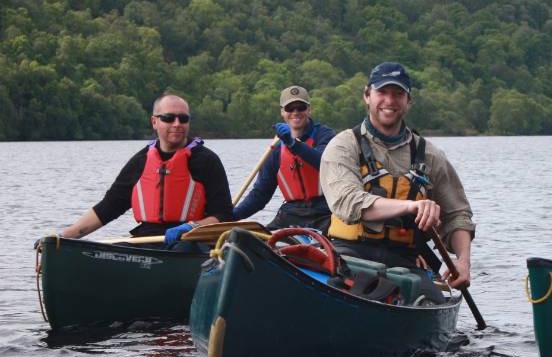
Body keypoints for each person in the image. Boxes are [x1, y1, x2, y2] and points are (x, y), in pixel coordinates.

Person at [319, 62, 475, 301]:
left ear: (408, 101)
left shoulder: (431, 156)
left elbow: (458, 215)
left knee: (432, 301)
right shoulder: (343, 146)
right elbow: (348, 203)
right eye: (382, 92)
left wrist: (463, 261)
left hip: (406, 260)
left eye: (398, 94)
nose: (389, 101)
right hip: (348, 254)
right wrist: (412, 206)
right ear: (367, 95)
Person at [59, 93, 233, 249]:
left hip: (190, 241)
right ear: (154, 122)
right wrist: (62, 238)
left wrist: (192, 226)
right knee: (118, 249)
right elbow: (108, 207)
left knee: (183, 249)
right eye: (169, 118)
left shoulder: (207, 161)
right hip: (145, 240)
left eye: (183, 118)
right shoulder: (140, 161)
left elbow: (223, 215)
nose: (177, 124)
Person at [233, 86, 335, 233]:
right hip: (291, 214)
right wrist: (231, 215)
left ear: (309, 110)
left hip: (325, 212)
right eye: (289, 108)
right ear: (282, 112)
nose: (295, 112)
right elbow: (260, 195)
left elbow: (323, 162)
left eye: (301, 107)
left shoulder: (325, 135)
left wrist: (293, 143)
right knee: (252, 241)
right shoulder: (276, 150)